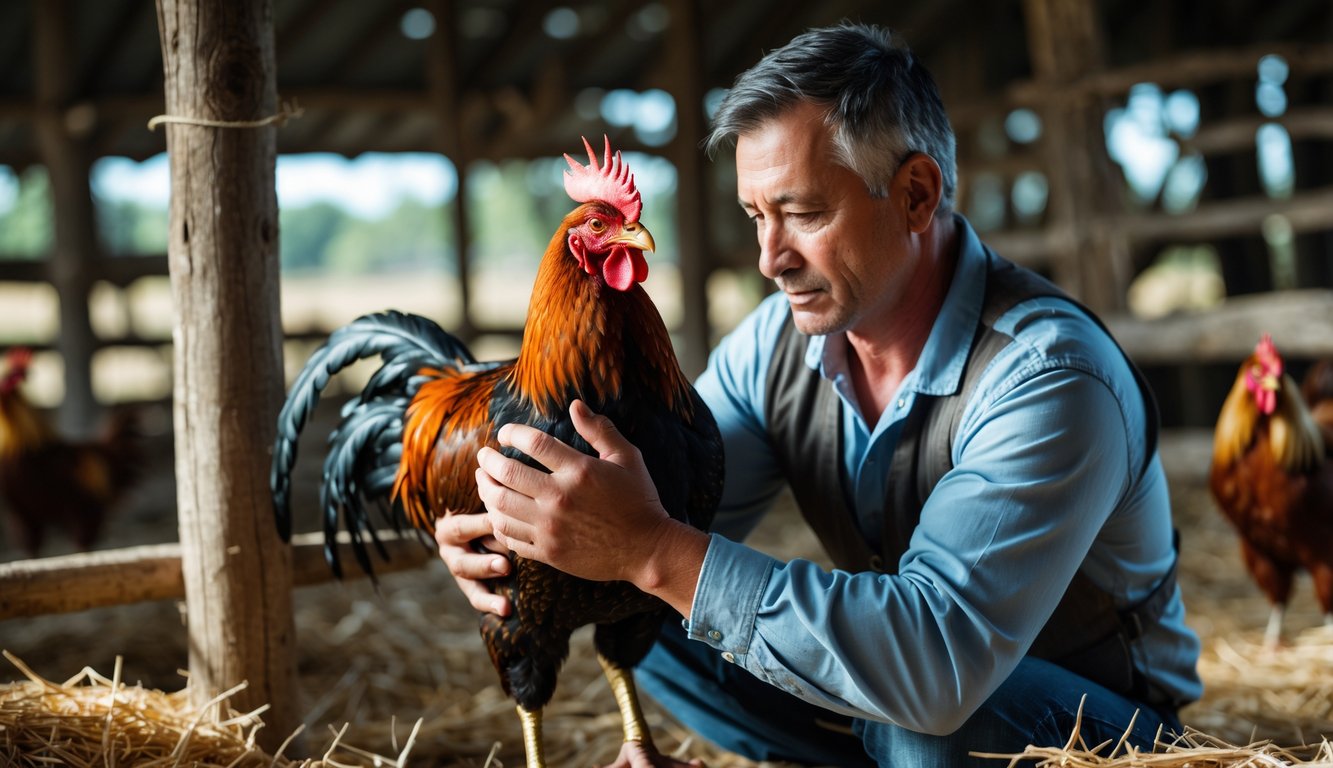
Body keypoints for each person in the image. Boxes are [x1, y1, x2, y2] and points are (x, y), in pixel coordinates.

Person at [436, 21, 1202, 768]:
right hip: (897, 703)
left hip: (1089, 731)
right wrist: (516, 545)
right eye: (755, 217)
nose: (769, 258)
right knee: (643, 613)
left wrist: (649, 550)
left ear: (915, 195)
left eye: (802, 214)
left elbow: (935, 662)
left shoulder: (1046, 377)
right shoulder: (775, 343)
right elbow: (652, 506)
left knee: (920, 719)